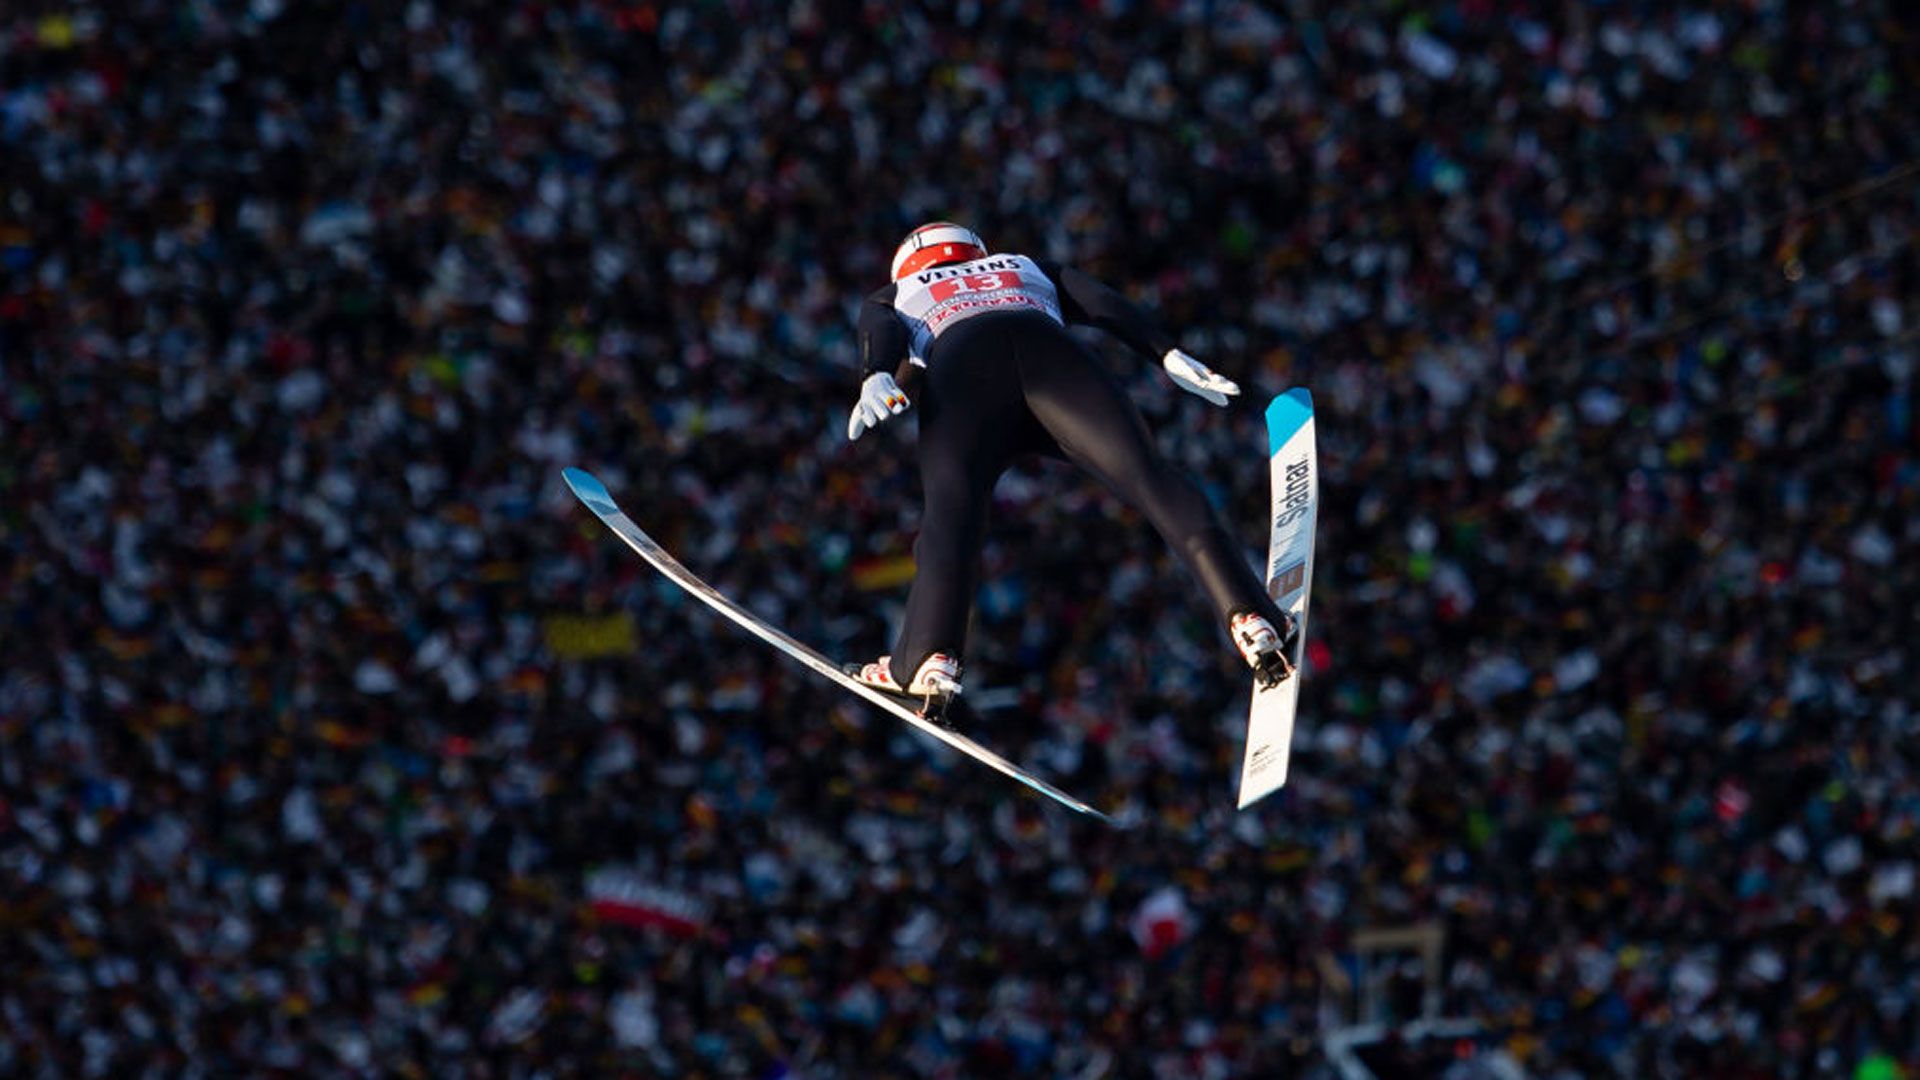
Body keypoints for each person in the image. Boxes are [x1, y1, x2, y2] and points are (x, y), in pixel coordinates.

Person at [845, 222, 1296, 714]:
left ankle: (930, 658)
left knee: (952, 518)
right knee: (1152, 479)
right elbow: (1106, 305)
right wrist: (1166, 353)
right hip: (1053, 359)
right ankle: (1251, 615)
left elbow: (883, 329)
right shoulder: (1024, 265)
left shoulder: (896, 292)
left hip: (965, 372)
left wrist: (876, 373)